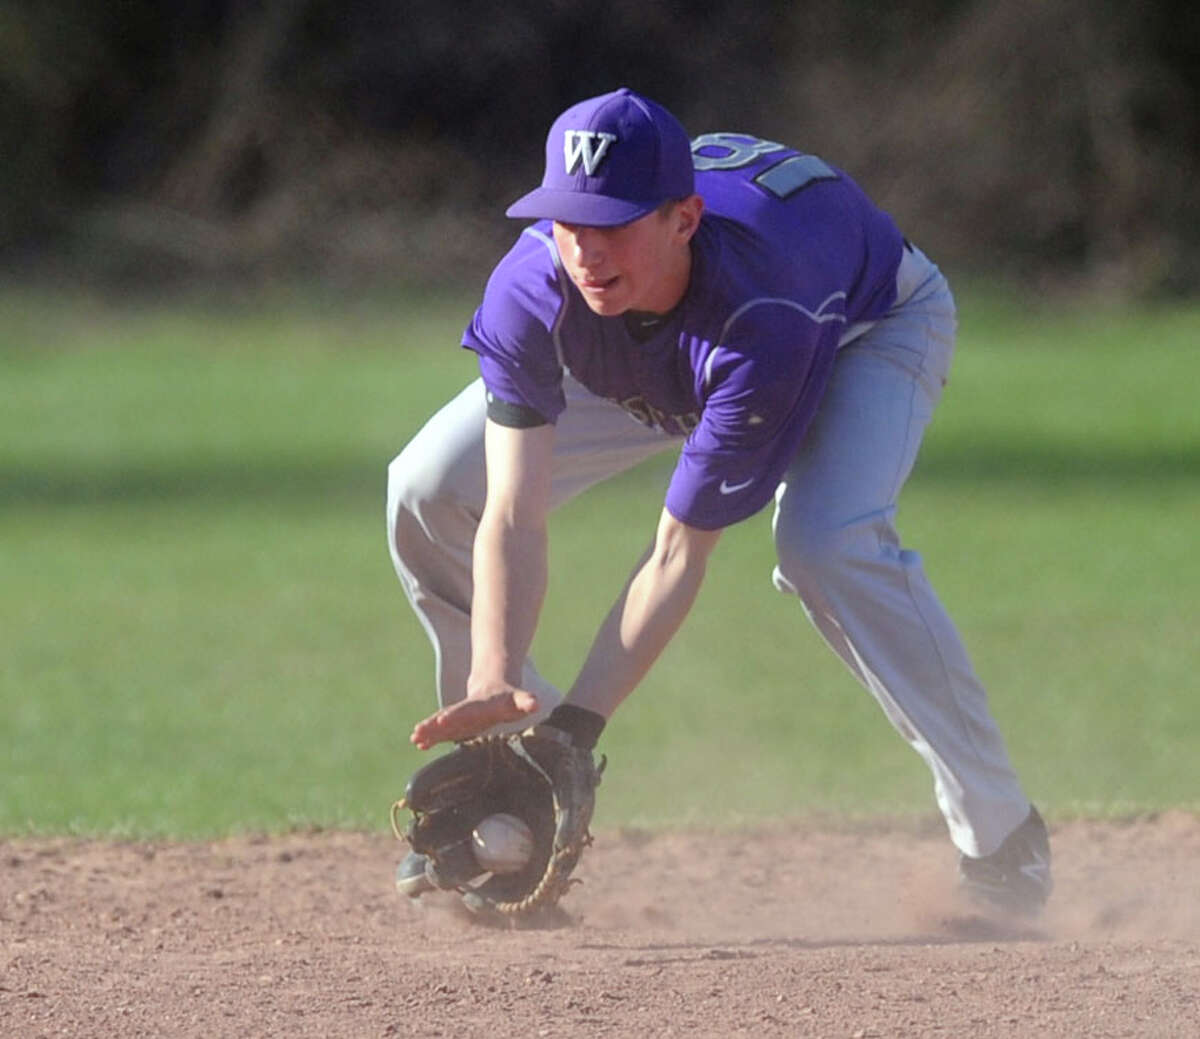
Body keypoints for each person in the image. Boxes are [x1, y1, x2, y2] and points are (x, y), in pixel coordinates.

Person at [386, 88, 1051, 916]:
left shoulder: (766, 313)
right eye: (567, 221)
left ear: (683, 219)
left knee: (826, 544)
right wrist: (493, 673)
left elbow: (677, 552)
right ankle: (513, 778)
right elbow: (512, 514)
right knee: (428, 488)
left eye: (614, 221)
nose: (585, 249)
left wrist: (583, 726)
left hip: (855, 329)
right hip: (648, 339)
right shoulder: (536, 287)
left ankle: (1003, 839)